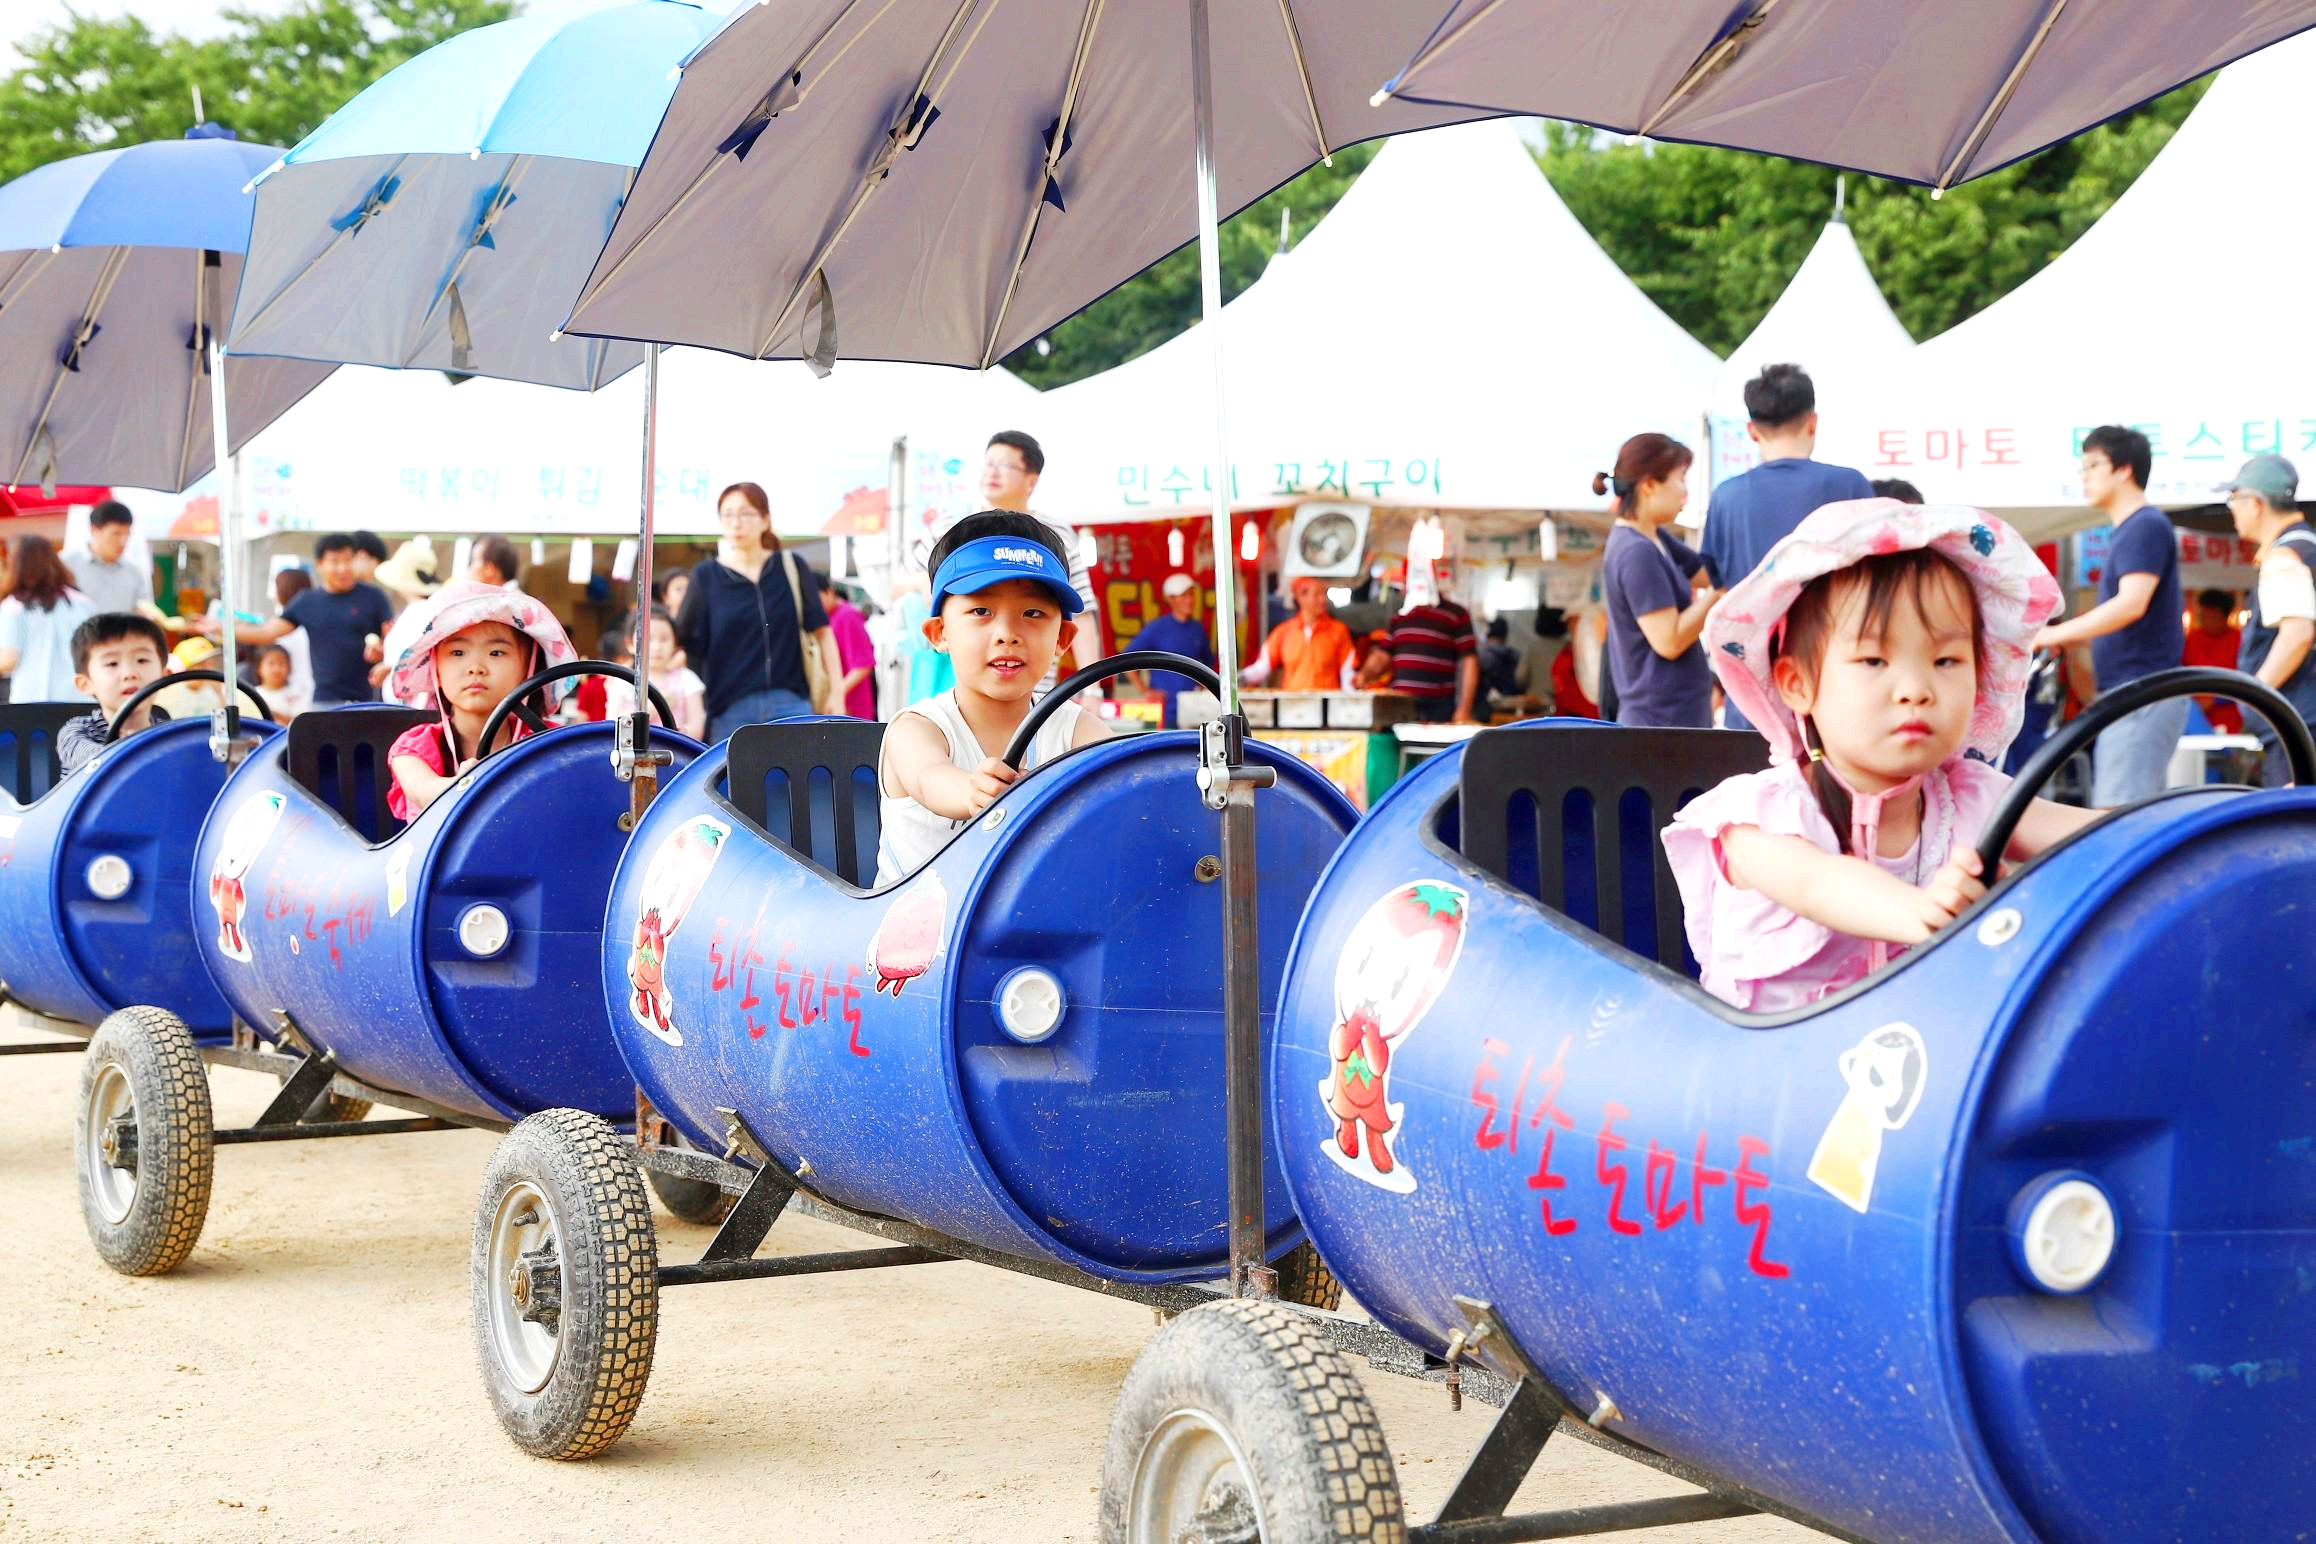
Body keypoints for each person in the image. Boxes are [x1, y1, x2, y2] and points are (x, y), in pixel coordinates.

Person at [1664, 500, 2099, 1012]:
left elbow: (2104, 833)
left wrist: (2201, 816)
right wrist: (1924, 910)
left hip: (1921, 1073)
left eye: (1946, 659)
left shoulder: (1972, 796)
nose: (1916, 689)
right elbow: (1817, 882)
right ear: (1797, 684)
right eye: (1874, 659)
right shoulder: (1757, 817)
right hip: (1769, 1080)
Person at [876, 512, 1108, 885]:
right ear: (939, 633)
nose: (1007, 633)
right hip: (921, 934)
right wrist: (971, 789)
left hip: (1033, 929)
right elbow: (928, 777)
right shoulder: (918, 729)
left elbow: (1121, 781)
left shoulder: (1077, 730)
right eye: (981, 611)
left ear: (1062, 640)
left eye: (1032, 613)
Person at [1700, 364, 1874, 729]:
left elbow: (1718, 585)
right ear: (1813, 422)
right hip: (1833, 686)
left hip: (1752, 694)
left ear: (1752, 430)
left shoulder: (1726, 498)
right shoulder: (1850, 486)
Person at [2032, 425, 2185, 805]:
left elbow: (2131, 604)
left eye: (2092, 465)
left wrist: (2054, 634)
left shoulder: (2144, 526)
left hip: (2142, 692)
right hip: (2134, 693)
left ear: (2124, 469)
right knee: (2127, 811)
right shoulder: (2135, 529)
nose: (2085, 477)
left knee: (2118, 815)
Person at [384, 582, 577, 819]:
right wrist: (463, 785)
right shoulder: (414, 750)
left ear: (527, 668)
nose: (476, 668)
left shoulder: (554, 745)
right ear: (436, 669)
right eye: (457, 653)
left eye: (496, 653)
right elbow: (423, 791)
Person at [926, 430, 1098, 683]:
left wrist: (1091, 687)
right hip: (953, 683)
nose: (992, 472)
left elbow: (1082, 610)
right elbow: (899, 583)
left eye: (1032, 612)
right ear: (938, 631)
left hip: (1040, 691)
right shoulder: (950, 527)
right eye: (988, 463)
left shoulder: (1057, 534)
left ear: (1032, 480)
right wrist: (932, 587)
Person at [677, 481, 843, 740]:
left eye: (746, 513)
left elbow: (823, 633)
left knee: (798, 779)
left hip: (791, 704)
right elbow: (685, 642)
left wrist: (837, 692)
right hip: (729, 710)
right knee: (733, 781)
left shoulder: (790, 567)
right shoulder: (706, 577)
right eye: (728, 515)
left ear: (765, 520)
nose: (736, 523)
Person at [1597, 434, 1716, 728]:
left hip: (1676, 718)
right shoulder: (1636, 552)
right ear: (1649, 485)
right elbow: (1669, 640)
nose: (1684, 492)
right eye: (1680, 479)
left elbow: (1706, 574)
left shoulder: (1654, 537)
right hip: (1659, 724)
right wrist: (1720, 594)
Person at [198, 534, 393, 705]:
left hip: (371, 699)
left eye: (348, 560)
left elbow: (393, 639)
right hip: (325, 701)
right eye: (335, 561)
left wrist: (382, 650)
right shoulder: (307, 602)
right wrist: (221, 627)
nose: (343, 568)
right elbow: (266, 633)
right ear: (319, 565)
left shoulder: (374, 597)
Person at [2222, 454, 2316, 786]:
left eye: (2235, 498)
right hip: (2307, 719)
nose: (2231, 508)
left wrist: (2254, 692)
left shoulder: (2285, 555)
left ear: (2255, 503)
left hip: (2299, 722)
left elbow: (2298, 633)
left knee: (2296, 829)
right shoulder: (2308, 546)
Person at [55, 613, 170, 773]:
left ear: (164, 676)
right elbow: (97, 765)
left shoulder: (170, 733)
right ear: (85, 684)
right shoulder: (77, 732)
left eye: (142, 660)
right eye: (112, 664)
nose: (129, 673)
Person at [0, 536, 95, 702]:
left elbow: (8, 660)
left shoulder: (14, 606)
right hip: (82, 699)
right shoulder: (83, 602)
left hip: (33, 702)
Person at [1388, 562, 1481, 724]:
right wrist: (1362, 676)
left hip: (1439, 708)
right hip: (1400, 707)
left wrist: (1464, 710)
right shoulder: (1399, 616)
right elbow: (1383, 654)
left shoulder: (1456, 614)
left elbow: (1469, 662)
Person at [1130, 572, 1217, 726]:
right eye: (1183, 596)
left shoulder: (1197, 629)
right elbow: (1128, 660)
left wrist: (1204, 691)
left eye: (1191, 595)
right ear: (1170, 599)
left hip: (1192, 711)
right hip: (1160, 711)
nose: (1189, 600)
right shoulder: (1156, 628)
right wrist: (1145, 691)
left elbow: (1208, 664)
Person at [1243, 576, 1356, 692]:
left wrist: (1351, 700)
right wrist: (1241, 677)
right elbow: (1262, 667)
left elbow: (1347, 671)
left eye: (1324, 594)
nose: (1323, 599)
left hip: (1327, 705)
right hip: (1292, 704)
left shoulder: (1339, 631)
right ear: (1300, 597)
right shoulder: (1283, 632)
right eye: (1317, 594)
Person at [2181, 587, 2245, 735]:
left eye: (2212, 618)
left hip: (2230, 716)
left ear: (2225, 617)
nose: (2206, 623)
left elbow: (2247, 680)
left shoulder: (2239, 640)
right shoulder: (2193, 638)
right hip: (2195, 715)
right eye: (2202, 617)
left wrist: (2215, 700)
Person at [72, 501, 154, 617]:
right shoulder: (68, 565)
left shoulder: (134, 572)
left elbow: (144, 610)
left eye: (127, 534)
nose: (123, 542)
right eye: (116, 534)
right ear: (94, 530)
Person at [819, 577, 878, 719]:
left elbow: (863, 664)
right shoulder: (829, 618)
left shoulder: (847, 616)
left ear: (829, 592)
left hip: (851, 709)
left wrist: (837, 694)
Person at [1479, 616, 1521, 705]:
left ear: (1487, 635)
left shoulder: (1480, 657)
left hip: (1485, 707)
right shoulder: (1515, 655)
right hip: (1512, 705)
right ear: (1505, 635)